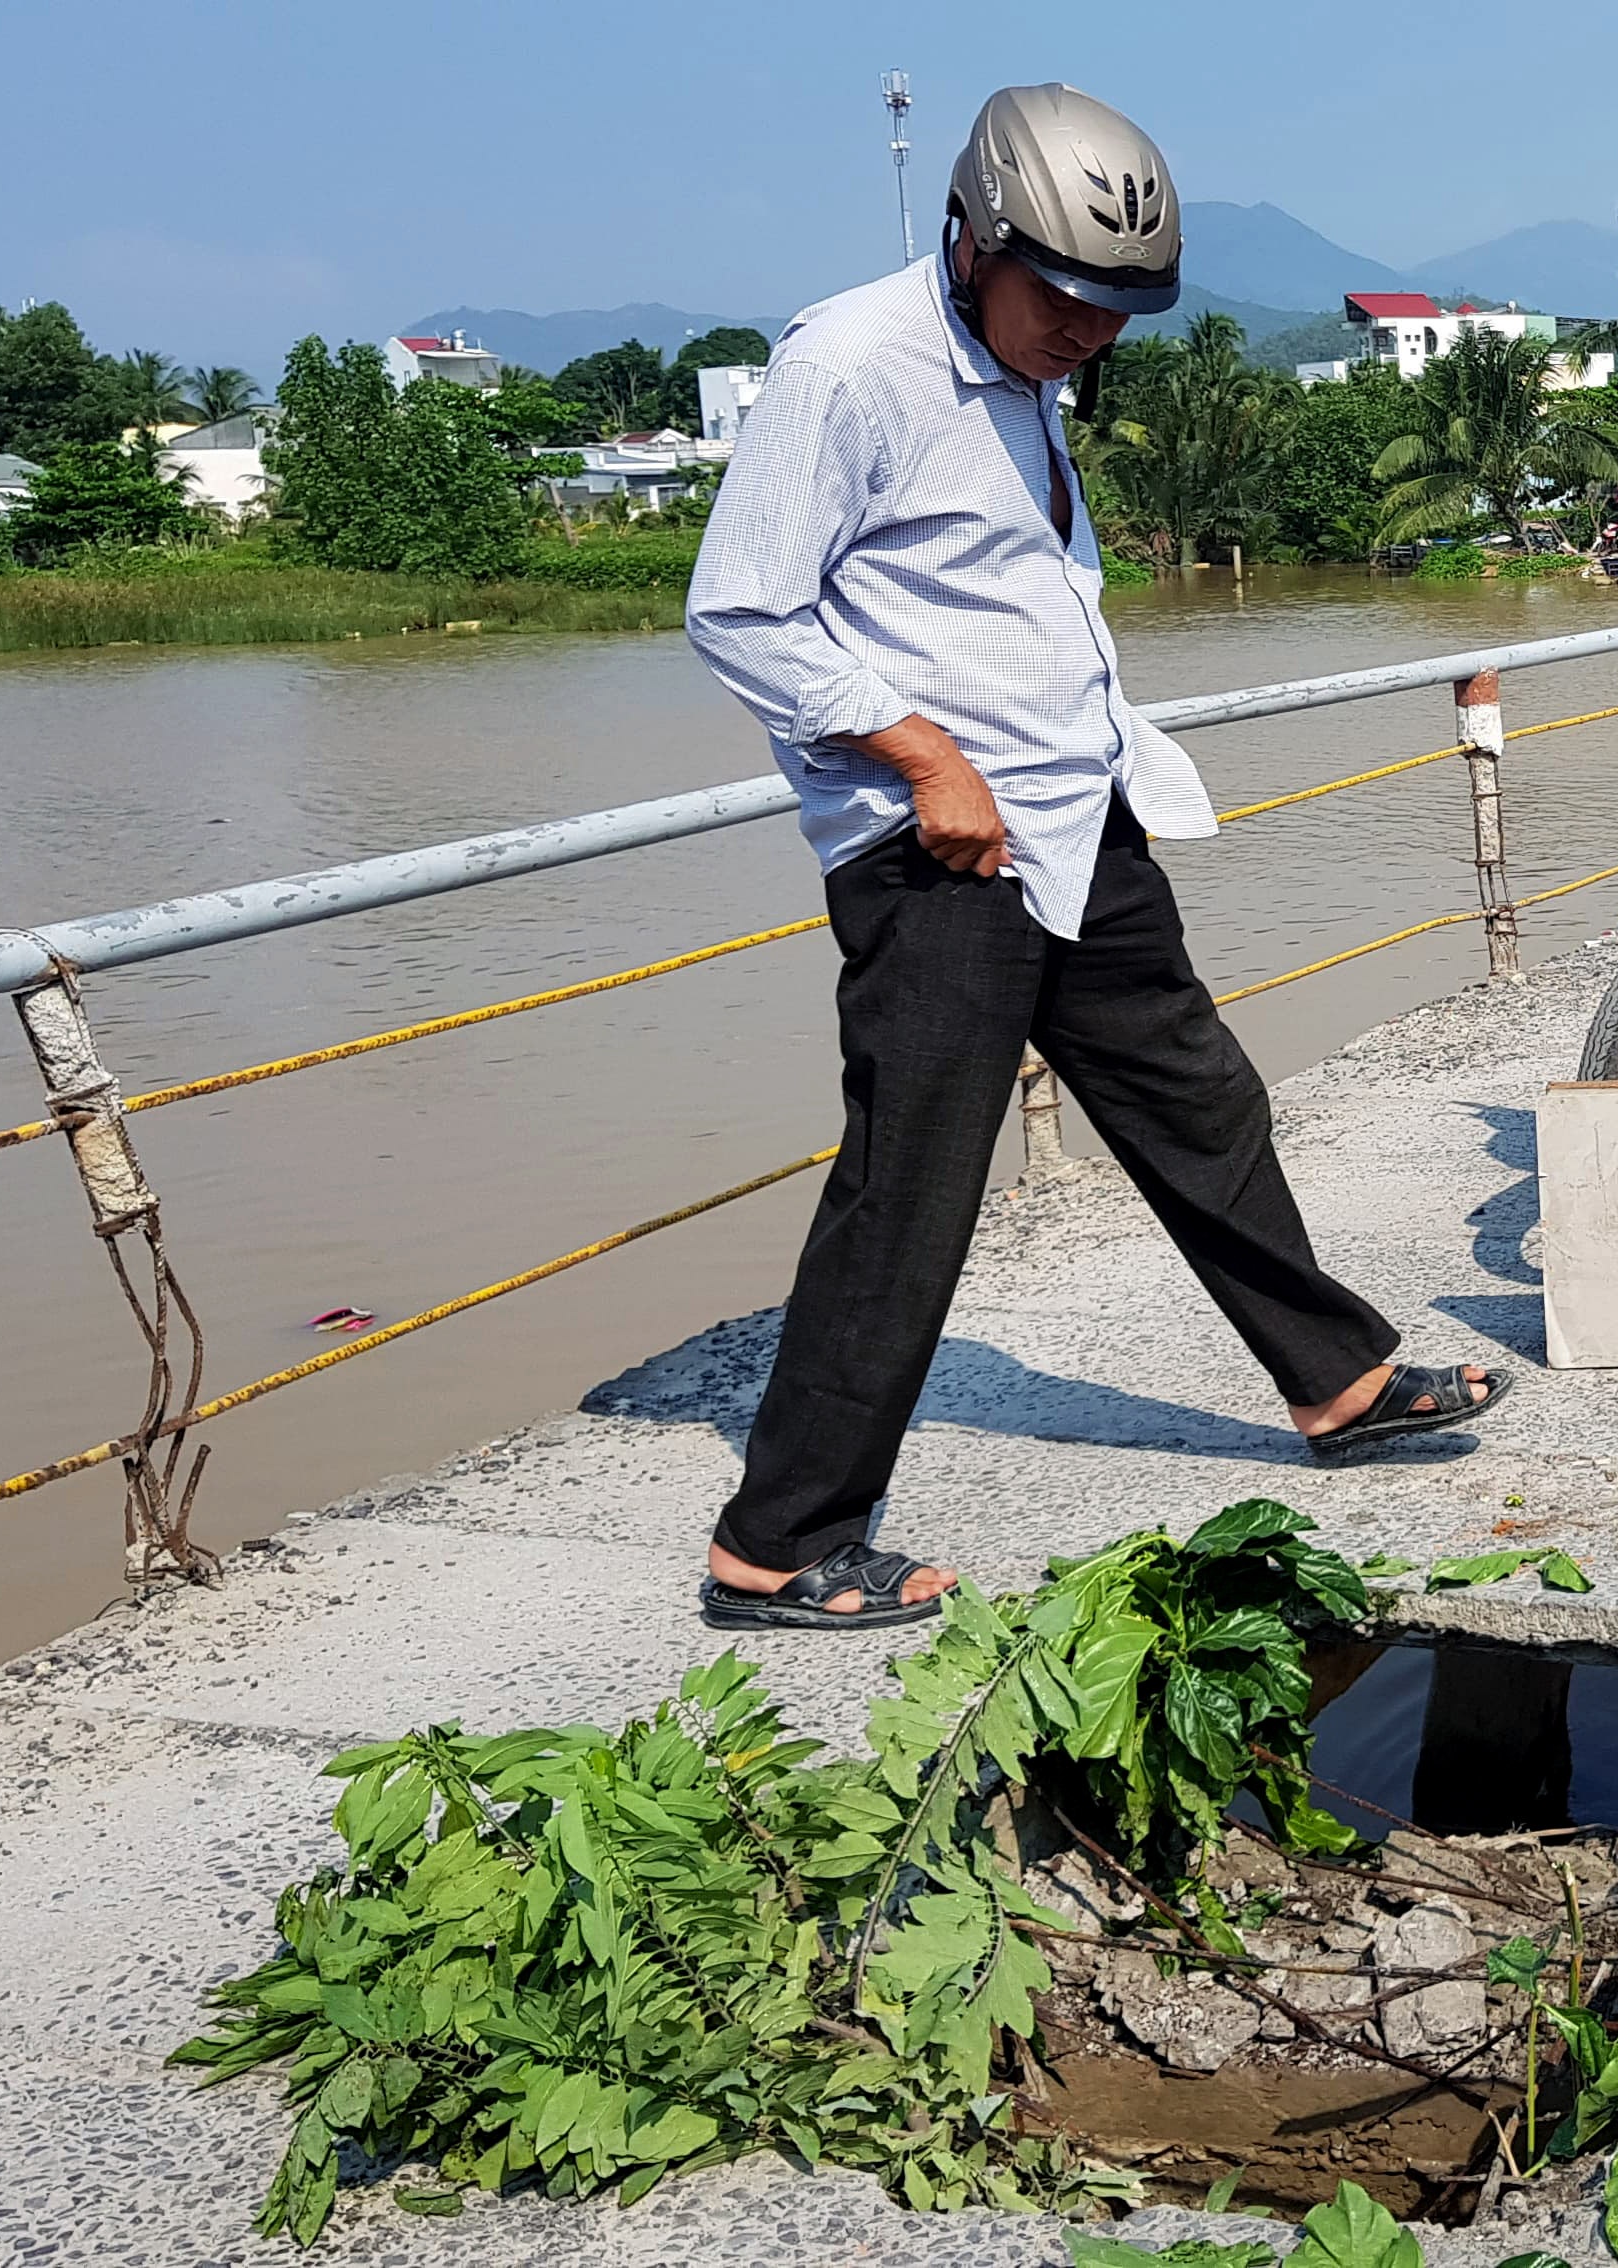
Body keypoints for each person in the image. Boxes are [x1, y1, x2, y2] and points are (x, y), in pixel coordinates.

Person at [684, 84, 1504, 1632]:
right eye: (1062, 296)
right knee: (912, 1188)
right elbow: (742, 612)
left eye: (1118, 307)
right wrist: (925, 758)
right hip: (940, 844)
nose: (1089, 331)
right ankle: (781, 1539)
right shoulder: (852, 366)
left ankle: (1339, 1382)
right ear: (974, 237)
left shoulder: (1023, 372)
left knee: (1199, 1095)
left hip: (1074, 812)